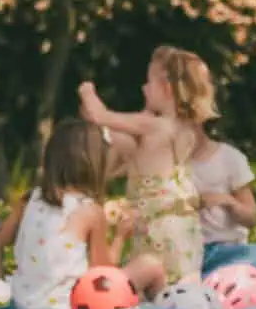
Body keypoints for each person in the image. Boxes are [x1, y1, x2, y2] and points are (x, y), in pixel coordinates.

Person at [0, 119, 166, 309]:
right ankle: (162, 308)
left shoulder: (28, 199)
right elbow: (103, 272)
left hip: (24, 304)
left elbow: (1, 239)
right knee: (150, 265)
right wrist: (120, 237)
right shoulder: (90, 211)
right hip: (71, 306)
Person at [78, 46, 213, 284]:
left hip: (159, 228)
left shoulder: (155, 127)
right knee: (175, 283)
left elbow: (99, 115)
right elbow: (139, 154)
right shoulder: (186, 129)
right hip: (184, 227)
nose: (143, 88)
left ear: (167, 89)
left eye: (148, 82)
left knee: (142, 278)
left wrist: (87, 91)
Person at [189, 132, 256, 275]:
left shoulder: (229, 158)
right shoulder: (169, 162)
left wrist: (228, 201)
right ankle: (226, 279)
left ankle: (216, 279)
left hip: (230, 251)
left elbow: (251, 218)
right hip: (191, 255)